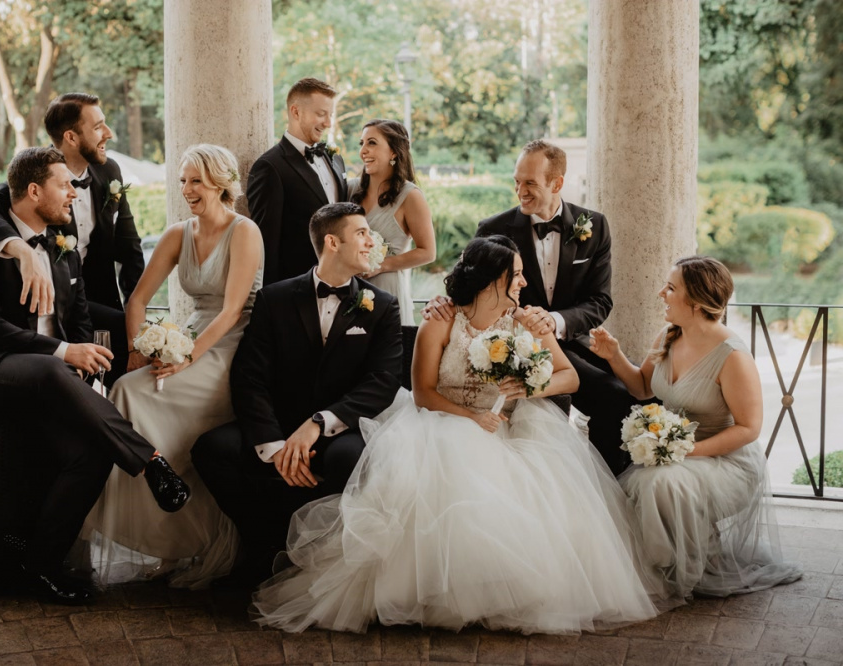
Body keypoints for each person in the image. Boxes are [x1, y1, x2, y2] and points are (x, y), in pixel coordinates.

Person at [251, 235, 663, 634]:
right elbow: (424, 392)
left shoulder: (524, 321)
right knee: (441, 476)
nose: (523, 282)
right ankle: (427, 593)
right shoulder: (443, 320)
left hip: (506, 425)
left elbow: (569, 376)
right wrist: (469, 417)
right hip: (439, 420)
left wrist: (530, 387)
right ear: (490, 280)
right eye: (516, 275)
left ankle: (497, 591)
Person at [0, 147, 189, 605]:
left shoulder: (63, 246)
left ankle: (39, 567)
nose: (74, 194)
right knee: (48, 366)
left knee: (91, 455)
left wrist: (83, 359)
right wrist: (64, 352)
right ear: (34, 191)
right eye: (64, 185)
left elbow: (76, 320)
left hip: (45, 385)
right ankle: (150, 460)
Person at [192, 202, 403, 587]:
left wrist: (320, 423)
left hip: (342, 428)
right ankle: (264, 544)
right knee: (210, 449)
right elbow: (249, 377)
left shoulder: (382, 307)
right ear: (331, 243)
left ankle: (320, 561)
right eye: (361, 233)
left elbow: (382, 382)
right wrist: (274, 446)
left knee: (348, 460)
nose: (371, 240)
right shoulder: (276, 299)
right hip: (278, 426)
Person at [83, 145, 263, 589]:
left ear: (221, 183)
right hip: (190, 337)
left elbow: (232, 310)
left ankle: (191, 526)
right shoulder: (176, 234)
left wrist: (186, 358)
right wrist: (138, 348)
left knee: (143, 396)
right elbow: (138, 299)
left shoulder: (244, 232)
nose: (186, 190)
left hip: (235, 343)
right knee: (126, 388)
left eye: (195, 181)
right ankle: (166, 528)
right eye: (182, 180)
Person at [589, 256, 803, 599]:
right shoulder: (668, 336)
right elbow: (642, 386)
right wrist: (614, 355)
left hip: (727, 461)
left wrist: (686, 451)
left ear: (698, 302)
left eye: (671, 288)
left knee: (653, 483)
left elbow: (749, 428)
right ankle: (658, 565)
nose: (662, 293)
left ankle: (665, 570)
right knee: (645, 482)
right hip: (679, 455)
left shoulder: (732, 355)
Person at [425, 139, 634, 476]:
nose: (520, 190)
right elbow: (467, 280)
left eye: (530, 183)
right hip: (510, 343)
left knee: (618, 395)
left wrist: (553, 321)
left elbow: (600, 300)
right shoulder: (492, 228)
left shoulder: (594, 226)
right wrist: (440, 302)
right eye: (516, 181)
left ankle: (605, 485)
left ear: (557, 183)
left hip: (569, 339)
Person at [0, 93, 143, 387]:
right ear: (71, 137)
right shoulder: (39, 169)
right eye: (98, 127)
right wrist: (23, 251)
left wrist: (138, 310)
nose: (109, 134)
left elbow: (130, 248)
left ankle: (124, 412)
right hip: (59, 304)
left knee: (138, 345)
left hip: (97, 301)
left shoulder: (109, 171)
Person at [248, 78, 348, 285]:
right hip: (295, 288)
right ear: (295, 112)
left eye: (330, 115)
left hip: (341, 285)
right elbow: (266, 245)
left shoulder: (336, 160)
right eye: (321, 114)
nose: (328, 123)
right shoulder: (270, 167)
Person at [348, 119, 435, 325]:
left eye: (372, 143)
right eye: (361, 143)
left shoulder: (410, 196)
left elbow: (428, 252)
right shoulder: (349, 189)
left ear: (394, 152)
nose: (363, 151)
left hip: (386, 290)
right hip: (349, 288)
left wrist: (380, 266)